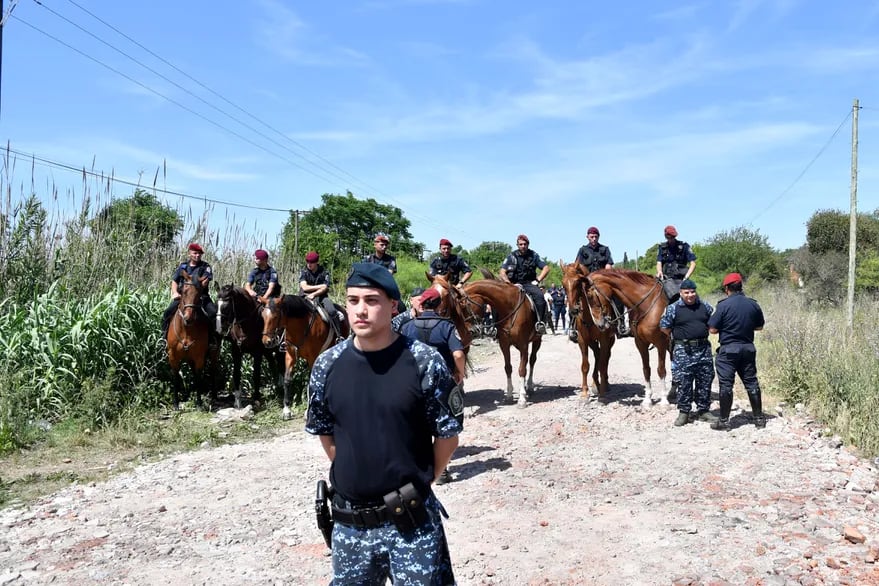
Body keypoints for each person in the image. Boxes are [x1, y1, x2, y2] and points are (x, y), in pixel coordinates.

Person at [305, 263, 461, 584]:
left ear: (393, 306)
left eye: (371, 300)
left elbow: (447, 436)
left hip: (411, 523)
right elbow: (325, 433)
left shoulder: (423, 361)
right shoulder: (327, 365)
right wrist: (360, 468)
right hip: (350, 527)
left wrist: (421, 479)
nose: (360, 310)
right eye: (352, 300)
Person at [708, 273, 766, 431]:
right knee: (751, 382)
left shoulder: (723, 305)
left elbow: (712, 329)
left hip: (729, 350)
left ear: (727, 288)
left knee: (726, 385)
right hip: (748, 348)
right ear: (741, 286)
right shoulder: (753, 304)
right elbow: (760, 327)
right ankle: (759, 419)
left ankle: (724, 421)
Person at [659, 279, 717, 427]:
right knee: (684, 382)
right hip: (684, 351)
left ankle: (703, 410)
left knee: (705, 380)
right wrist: (679, 339)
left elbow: (713, 323)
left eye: (692, 292)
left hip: (703, 349)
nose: (690, 295)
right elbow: (664, 327)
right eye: (687, 292)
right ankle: (684, 412)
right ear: (681, 293)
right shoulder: (673, 308)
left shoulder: (705, 306)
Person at [161, 243, 217, 343]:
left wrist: (194, 288)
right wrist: (174, 293)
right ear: (189, 253)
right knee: (167, 313)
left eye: (199, 253)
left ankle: (213, 341)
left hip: (201, 297)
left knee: (213, 313)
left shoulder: (205, 266)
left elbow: (205, 282)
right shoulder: (183, 266)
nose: (197, 255)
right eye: (195, 253)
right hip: (183, 297)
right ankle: (163, 340)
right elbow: (174, 281)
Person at [499, 234, 551, 335]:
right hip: (513, 284)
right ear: (517, 245)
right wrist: (508, 283)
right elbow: (502, 272)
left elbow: (546, 268)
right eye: (520, 244)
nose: (523, 246)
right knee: (497, 298)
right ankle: (495, 327)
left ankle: (540, 323)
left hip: (529, 283)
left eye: (525, 244)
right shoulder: (511, 256)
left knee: (540, 297)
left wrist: (538, 280)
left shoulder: (534, 255)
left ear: (528, 244)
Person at [298, 251, 344, 337]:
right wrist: (320, 286)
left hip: (321, 297)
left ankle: (339, 335)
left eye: (311, 262)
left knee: (332, 311)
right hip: (304, 296)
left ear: (317, 262)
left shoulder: (324, 272)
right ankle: (284, 340)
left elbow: (325, 288)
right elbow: (304, 287)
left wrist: (314, 294)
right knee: (290, 310)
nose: (309, 264)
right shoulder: (303, 271)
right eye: (307, 261)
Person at [656, 225, 697, 302]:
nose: (670, 239)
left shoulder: (684, 246)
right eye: (668, 237)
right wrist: (659, 271)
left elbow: (693, 263)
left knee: (692, 298)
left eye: (672, 237)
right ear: (665, 236)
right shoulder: (662, 247)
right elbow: (659, 262)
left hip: (681, 279)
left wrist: (686, 277)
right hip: (666, 278)